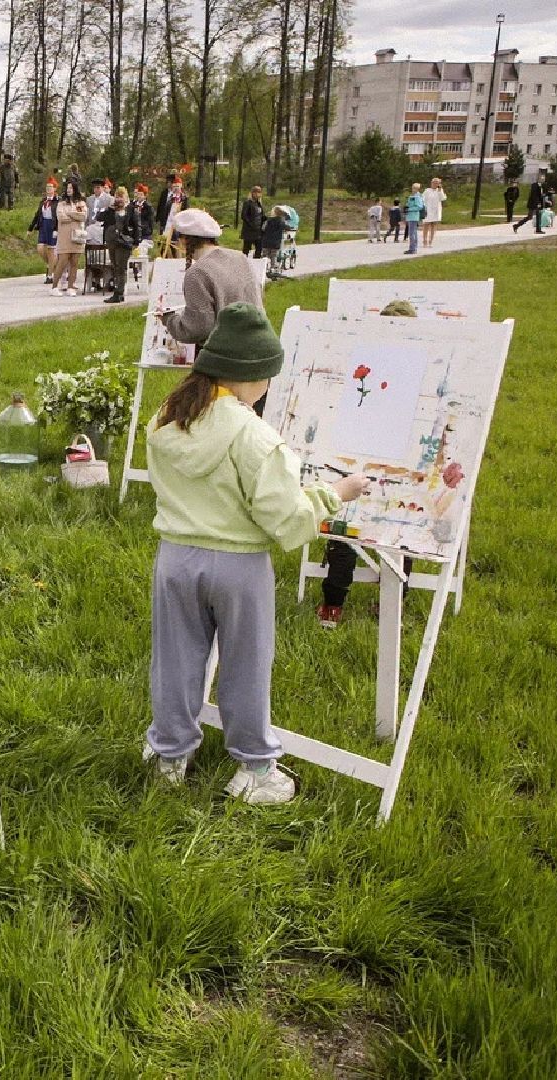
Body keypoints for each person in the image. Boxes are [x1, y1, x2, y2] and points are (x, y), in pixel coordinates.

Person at [144, 303, 371, 803]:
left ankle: (170, 753)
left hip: (175, 557)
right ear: (247, 377)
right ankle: (254, 768)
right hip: (238, 565)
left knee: (176, 661)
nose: (268, 387)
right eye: (266, 377)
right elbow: (285, 519)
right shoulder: (253, 435)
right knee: (246, 665)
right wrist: (335, 494)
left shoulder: (167, 416)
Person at [317, 300, 416, 628]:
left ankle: (393, 601)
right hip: (357, 464)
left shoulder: (417, 371)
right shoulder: (361, 367)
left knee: (403, 530)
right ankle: (333, 601)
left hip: (399, 471)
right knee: (347, 528)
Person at [160, 209, 261, 348]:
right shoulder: (240, 257)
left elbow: (198, 328)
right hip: (261, 344)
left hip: (229, 353)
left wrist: (168, 319)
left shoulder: (198, 272)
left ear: (184, 240)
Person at [104, 187, 149, 304]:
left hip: (124, 242)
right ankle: (118, 292)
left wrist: (136, 242)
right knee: (114, 266)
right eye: (117, 196)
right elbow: (101, 218)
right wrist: (110, 209)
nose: (119, 199)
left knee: (121, 267)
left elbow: (137, 226)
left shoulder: (131, 210)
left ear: (126, 197)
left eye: (121, 196)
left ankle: (119, 293)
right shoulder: (112, 210)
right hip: (112, 241)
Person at [51, 180, 87, 296]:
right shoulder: (61, 204)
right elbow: (61, 217)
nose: (69, 190)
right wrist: (74, 215)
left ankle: (71, 286)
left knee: (74, 262)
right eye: (67, 188)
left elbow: (83, 216)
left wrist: (70, 214)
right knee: (62, 261)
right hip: (64, 236)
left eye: (71, 188)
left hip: (77, 236)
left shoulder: (80, 203)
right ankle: (54, 286)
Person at [28, 181, 59, 284]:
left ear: (55, 189)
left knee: (51, 251)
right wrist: (30, 228)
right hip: (43, 225)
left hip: (52, 226)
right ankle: (51, 265)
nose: (48, 189)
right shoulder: (43, 201)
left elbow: (59, 216)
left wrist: (57, 229)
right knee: (40, 249)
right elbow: (37, 215)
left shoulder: (58, 201)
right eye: (47, 187)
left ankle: (50, 276)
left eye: (50, 187)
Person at [419, 177, 445, 249]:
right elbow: (422, 199)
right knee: (426, 225)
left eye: (437, 183)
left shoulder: (440, 190)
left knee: (433, 225)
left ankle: (431, 241)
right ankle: (424, 240)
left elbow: (442, 198)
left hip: (436, 210)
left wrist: (440, 190)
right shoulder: (427, 190)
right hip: (428, 210)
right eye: (434, 183)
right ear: (431, 183)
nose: (435, 184)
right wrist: (423, 208)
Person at [240, 186, 266, 256]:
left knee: (259, 247)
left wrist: (266, 219)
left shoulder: (259, 204)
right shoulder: (248, 203)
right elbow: (244, 216)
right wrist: (251, 225)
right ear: (252, 193)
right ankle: (244, 263)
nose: (257, 194)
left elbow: (261, 216)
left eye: (259, 192)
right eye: (256, 192)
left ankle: (257, 263)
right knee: (247, 248)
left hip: (258, 230)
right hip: (249, 230)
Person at [402, 182, 425, 255]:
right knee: (413, 232)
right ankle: (413, 248)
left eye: (413, 188)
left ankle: (413, 249)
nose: (412, 189)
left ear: (417, 189)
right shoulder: (413, 196)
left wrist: (409, 209)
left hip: (413, 216)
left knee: (412, 233)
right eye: (412, 187)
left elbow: (419, 206)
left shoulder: (417, 197)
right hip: (410, 216)